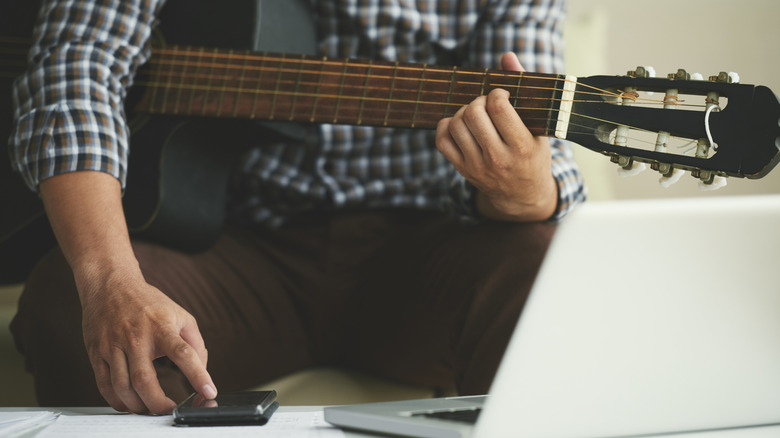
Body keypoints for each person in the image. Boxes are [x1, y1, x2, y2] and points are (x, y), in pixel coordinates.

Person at [9, 0, 586, 415]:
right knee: (69, 297)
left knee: (546, 267)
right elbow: (78, 64)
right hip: (231, 246)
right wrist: (109, 278)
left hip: (425, 253)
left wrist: (524, 186)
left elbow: (541, 157)